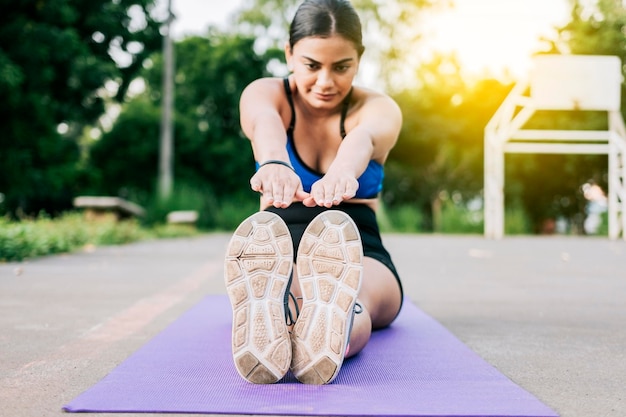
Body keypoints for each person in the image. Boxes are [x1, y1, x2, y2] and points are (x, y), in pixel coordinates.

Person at [224, 0, 403, 385]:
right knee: (304, 291)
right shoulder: (265, 93)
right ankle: (278, 307)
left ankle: (318, 329)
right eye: (311, 65)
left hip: (355, 241)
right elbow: (265, 122)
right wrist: (274, 162)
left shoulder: (379, 108)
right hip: (277, 241)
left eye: (341, 67)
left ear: (359, 59)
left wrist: (341, 172)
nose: (325, 82)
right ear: (289, 54)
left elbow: (363, 138)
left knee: (357, 300)